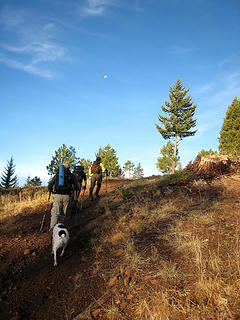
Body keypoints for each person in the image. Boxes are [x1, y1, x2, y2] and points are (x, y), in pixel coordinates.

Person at [48, 163, 79, 230]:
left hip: (57, 195)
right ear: (69, 168)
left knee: (55, 212)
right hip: (67, 196)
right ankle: (60, 227)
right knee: (63, 213)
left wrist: (51, 191)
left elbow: (50, 185)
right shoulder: (72, 175)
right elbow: (76, 187)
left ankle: (52, 228)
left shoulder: (57, 175)